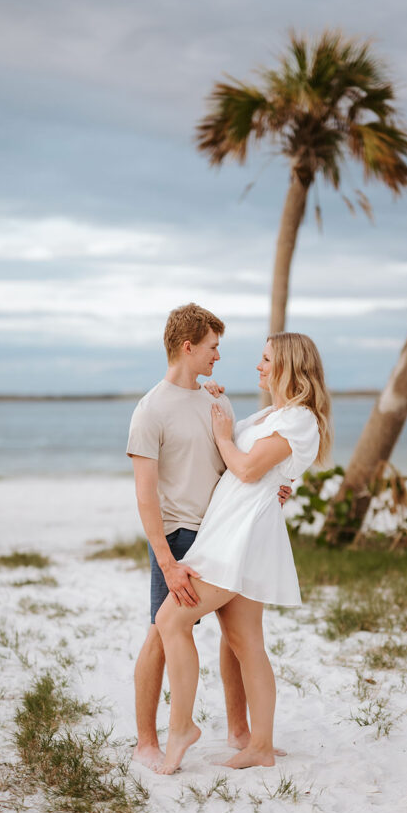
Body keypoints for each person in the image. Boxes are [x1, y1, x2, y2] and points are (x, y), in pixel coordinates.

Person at [156, 332, 333, 774]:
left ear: (288, 366)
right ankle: (258, 744)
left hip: (242, 534)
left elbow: (248, 467)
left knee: (169, 619)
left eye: (266, 359)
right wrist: (216, 402)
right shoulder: (275, 413)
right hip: (233, 525)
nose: (258, 366)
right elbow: (247, 459)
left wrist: (222, 437)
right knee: (244, 641)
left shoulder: (300, 420)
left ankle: (183, 728)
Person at [126, 303, 291, 769]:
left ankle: (242, 733)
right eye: (213, 346)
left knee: (238, 639)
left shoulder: (218, 402)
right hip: (178, 540)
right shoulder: (150, 410)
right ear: (188, 346)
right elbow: (145, 497)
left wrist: (270, 491)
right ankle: (146, 742)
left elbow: (234, 468)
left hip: (224, 536)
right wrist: (167, 561)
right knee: (161, 634)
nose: (218, 356)